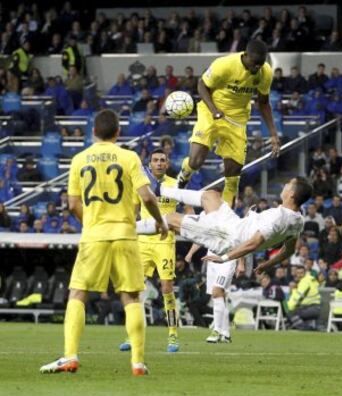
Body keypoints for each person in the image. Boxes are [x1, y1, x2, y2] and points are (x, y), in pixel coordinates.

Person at [39, 109, 168, 376]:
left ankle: (70, 357)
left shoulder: (78, 159)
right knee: (131, 297)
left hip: (94, 235)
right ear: (118, 132)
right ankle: (137, 362)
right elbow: (147, 197)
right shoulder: (129, 157)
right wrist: (160, 221)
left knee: (78, 294)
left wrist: (93, 223)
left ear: (93, 132)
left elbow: (73, 204)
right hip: (125, 234)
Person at [177, 39, 280, 208]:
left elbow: (263, 103)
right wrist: (214, 109)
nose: (256, 68)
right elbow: (202, 85)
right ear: (245, 55)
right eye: (254, 64)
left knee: (233, 174)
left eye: (260, 65)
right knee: (196, 160)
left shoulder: (265, 72)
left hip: (237, 119)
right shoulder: (224, 64)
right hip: (211, 111)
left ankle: (226, 215)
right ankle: (183, 176)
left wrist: (273, 134)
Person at [137, 177, 312, 276]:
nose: (284, 185)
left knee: (172, 219)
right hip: (233, 224)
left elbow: (254, 244)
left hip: (225, 236)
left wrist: (225, 258)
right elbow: (288, 250)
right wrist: (267, 265)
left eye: (287, 184)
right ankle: (159, 189)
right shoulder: (298, 220)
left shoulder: (278, 218)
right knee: (210, 196)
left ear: (291, 194)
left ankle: (127, 228)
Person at [119, 148, 190, 353]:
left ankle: (173, 335)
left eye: (162, 160)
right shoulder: (141, 184)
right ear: (150, 163)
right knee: (135, 289)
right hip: (142, 242)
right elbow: (133, 212)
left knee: (166, 288)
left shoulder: (174, 185)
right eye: (155, 160)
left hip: (165, 242)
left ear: (167, 164)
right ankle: (133, 335)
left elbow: (187, 212)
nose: (159, 163)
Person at [185, 243, 238, 343]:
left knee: (216, 292)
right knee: (220, 297)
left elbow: (240, 241)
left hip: (227, 259)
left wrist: (241, 263)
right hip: (212, 260)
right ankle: (225, 334)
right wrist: (190, 252)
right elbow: (201, 237)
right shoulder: (209, 227)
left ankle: (216, 331)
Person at [287, 265, 320, 330]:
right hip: (314, 307)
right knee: (294, 312)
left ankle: (307, 330)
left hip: (311, 308)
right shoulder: (309, 279)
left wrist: (288, 308)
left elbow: (297, 298)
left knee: (291, 313)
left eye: (301, 273)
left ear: (305, 272)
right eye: (298, 273)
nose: (299, 275)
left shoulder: (305, 282)